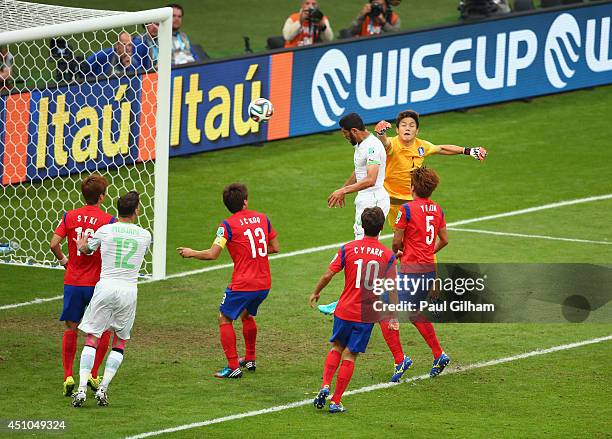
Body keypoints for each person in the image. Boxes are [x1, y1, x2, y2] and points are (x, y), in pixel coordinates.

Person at [177, 183, 280, 378]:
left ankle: (233, 367)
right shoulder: (263, 219)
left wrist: (191, 253)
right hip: (264, 283)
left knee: (224, 318)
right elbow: (275, 247)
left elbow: (212, 254)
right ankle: (250, 358)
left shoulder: (226, 226)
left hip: (243, 284)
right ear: (245, 201)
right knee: (247, 315)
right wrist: (254, 252)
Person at [309, 207, 396, 413]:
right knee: (350, 355)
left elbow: (328, 275)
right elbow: (392, 288)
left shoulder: (347, 248)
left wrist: (316, 292)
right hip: (365, 315)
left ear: (362, 226)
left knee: (336, 347)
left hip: (344, 309)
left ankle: (324, 386)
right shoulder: (387, 255)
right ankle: (335, 401)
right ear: (382, 228)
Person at [71, 191, 152, 407]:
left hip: (105, 287)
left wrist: (81, 245)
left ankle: (80, 391)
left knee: (92, 337)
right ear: (136, 210)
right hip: (128, 290)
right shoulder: (145, 235)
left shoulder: (104, 230)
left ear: (117, 209)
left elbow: (87, 250)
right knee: (119, 341)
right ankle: (103, 389)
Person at [50, 175, 116, 397]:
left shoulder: (70, 216)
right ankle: (93, 374)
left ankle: (68, 375)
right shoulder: (108, 220)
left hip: (73, 281)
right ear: (101, 197)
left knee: (71, 328)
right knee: (103, 329)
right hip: (97, 283)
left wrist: (65, 262)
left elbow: (53, 243)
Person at [375, 110, 487, 229]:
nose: (407, 128)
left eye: (411, 125)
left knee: (416, 240)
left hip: (414, 202)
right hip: (393, 203)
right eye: (403, 125)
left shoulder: (421, 146)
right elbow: (385, 143)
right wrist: (381, 134)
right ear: (397, 130)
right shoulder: (392, 144)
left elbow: (441, 148)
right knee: (399, 240)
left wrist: (467, 150)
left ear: (417, 131)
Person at [392, 167, 451, 378]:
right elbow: (444, 239)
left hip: (411, 270)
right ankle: (439, 354)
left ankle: (400, 360)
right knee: (415, 312)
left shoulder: (406, 209)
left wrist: (398, 253)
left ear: (413, 187)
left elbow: (396, 241)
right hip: (428, 271)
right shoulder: (437, 209)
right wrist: (427, 251)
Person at [327, 112, 390, 240]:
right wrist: (344, 189)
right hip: (365, 198)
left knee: (364, 243)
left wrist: (343, 190)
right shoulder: (360, 144)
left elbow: (371, 179)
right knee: (363, 242)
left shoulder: (372, 147)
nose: (345, 136)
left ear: (354, 131)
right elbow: (359, 171)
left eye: (345, 133)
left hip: (373, 200)